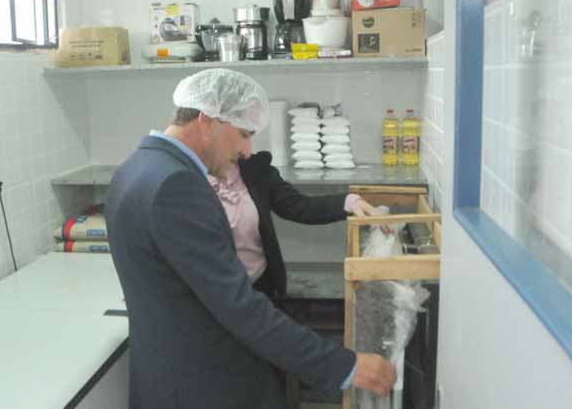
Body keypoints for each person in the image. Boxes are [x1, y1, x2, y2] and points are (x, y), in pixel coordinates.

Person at [105, 68, 397, 409]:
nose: (247, 150)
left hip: (164, 373)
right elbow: (237, 305)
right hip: (202, 382)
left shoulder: (135, 167)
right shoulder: (178, 186)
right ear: (207, 120)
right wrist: (344, 366)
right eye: (243, 134)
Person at [208, 152, 385, 299]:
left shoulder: (256, 170)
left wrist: (350, 202)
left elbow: (300, 206)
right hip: (211, 294)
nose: (247, 150)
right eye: (243, 135)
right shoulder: (194, 179)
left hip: (258, 288)